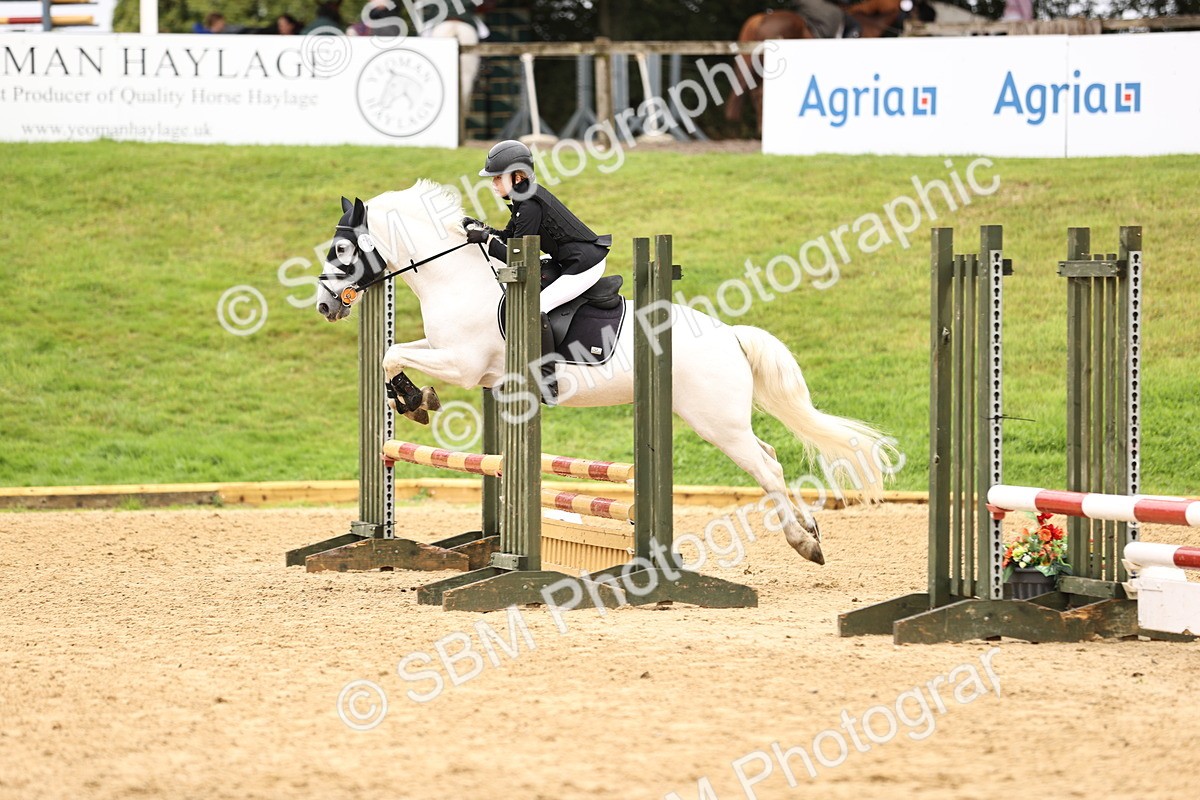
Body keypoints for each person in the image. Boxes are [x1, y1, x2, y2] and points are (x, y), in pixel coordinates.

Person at [463, 140, 612, 404]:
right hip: (569, 260)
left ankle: (546, 382)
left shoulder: (529, 203)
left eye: (498, 177)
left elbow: (519, 257)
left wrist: (486, 240)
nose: (493, 183)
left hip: (584, 264)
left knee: (536, 307)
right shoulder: (524, 198)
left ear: (517, 175)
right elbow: (511, 237)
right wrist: (484, 229)